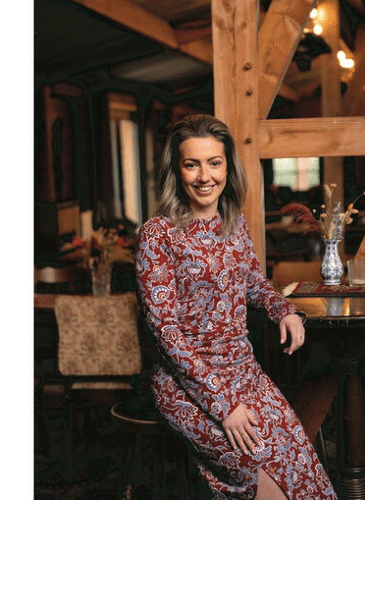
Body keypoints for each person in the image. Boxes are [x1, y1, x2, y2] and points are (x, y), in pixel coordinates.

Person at [136, 114, 337, 500]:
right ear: (176, 171)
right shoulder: (157, 234)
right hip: (185, 385)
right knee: (253, 463)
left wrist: (283, 310)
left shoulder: (234, 223)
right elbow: (165, 331)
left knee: (301, 465)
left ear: (228, 167)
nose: (204, 176)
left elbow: (254, 284)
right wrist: (224, 405)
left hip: (244, 372)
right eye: (191, 164)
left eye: (214, 163)